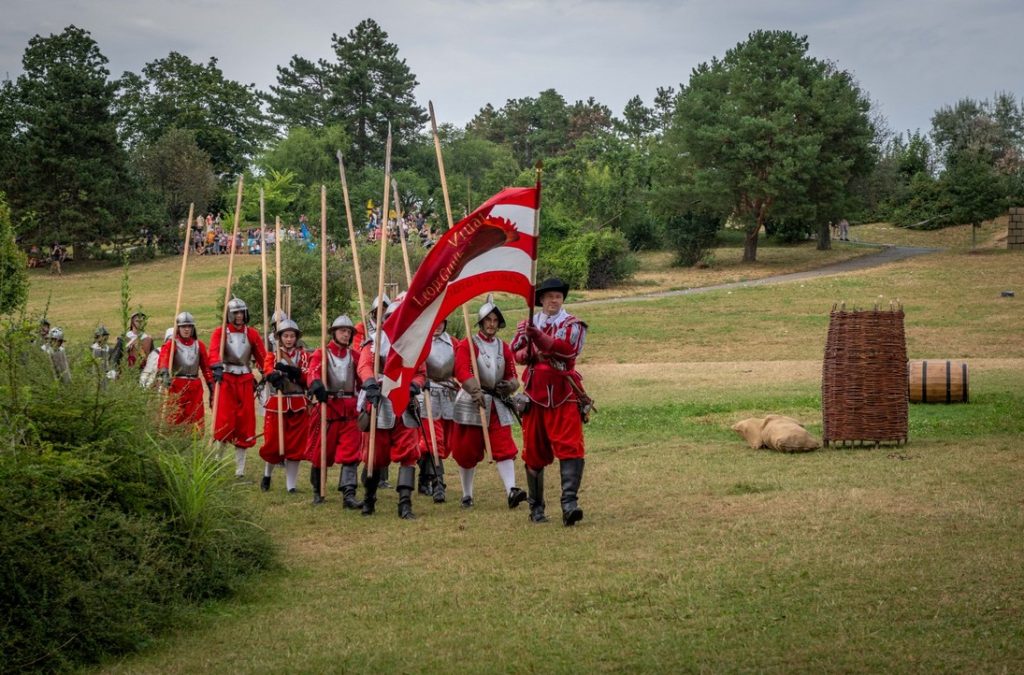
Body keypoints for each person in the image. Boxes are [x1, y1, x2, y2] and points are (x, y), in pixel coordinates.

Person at [512, 278, 589, 526]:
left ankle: (569, 505)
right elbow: (516, 352)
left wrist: (539, 338)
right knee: (533, 453)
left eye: (558, 296)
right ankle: (536, 508)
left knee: (570, 447)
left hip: (564, 394)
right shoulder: (529, 323)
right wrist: (527, 350)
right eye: (549, 297)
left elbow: (567, 350)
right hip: (535, 395)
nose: (554, 300)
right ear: (541, 300)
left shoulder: (573, 324)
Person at [449, 296, 527, 510]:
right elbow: (462, 370)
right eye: (488, 320)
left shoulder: (504, 347)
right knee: (467, 451)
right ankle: (467, 494)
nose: (491, 323)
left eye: (495, 320)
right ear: (481, 322)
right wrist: (475, 390)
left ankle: (511, 490)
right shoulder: (467, 344)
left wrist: (510, 386)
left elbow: (512, 374)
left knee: (504, 445)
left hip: (497, 401)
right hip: (472, 402)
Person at [357, 299, 426, 518]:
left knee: (409, 455)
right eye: (390, 319)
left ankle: (405, 504)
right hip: (379, 402)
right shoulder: (373, 343)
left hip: (403, 404)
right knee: (374, 457)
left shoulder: (412, 345)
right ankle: (369, 498)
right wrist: (369, 383)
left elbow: (420, 371)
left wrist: (415, 385)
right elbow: (364, 365)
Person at [306, 315, 363, 507]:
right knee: (323, 452)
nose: (346, 335)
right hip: (328, 407)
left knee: (351, 451)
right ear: (333, 332)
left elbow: (362, 378)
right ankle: (317, 490)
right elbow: (313, 372)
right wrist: (316, 384)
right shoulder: (322, 354)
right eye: (342, 331)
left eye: (349, 332)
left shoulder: (355, 356)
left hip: (350, 409)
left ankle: (349, 494)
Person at [210, 297, 268, 479]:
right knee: (224, 421)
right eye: (235, 312)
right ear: (229, 314)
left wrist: (269, 371)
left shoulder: (251, 334)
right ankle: (216, 462)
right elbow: (213, 351)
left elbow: (262, 356)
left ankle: (240, 470)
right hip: (226, 380)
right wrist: (216, 365)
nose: (239, 316)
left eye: (242, 312)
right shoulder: (220, 333)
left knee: (244, 424)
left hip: (245, 380)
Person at [259, 319, 310, 494]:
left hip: (298, 404)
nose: (289, 339)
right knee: (273, 444)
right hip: (277, 405)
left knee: (295, 446)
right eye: (286, 336)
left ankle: (291, 485)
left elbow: (305, 377)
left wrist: (289, 371)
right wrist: (273, 375)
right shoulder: (272, 355)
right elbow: (267, 371)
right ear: (280, 337)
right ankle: (267, 475)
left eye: (292, 336)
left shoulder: (303, 355)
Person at [415, 318, 459, 503]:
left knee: (444, 443)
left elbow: (462, 366)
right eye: (435, 321)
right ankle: (439, 484)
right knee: (434, 440)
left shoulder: (454, 343)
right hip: (427, 392)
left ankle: (424, 478)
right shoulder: (420, 341)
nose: (438, 325)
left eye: (442, 322)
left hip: (448, 393)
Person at [157, 312, 214, 430]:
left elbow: (206, 369)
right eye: (183, 326)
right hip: (177, 386)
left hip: (195, 387)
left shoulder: (200, 345)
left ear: (193, 328)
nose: (186, 329)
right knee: (175, 418)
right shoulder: (171, 344)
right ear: (178, 327)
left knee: (195, 419)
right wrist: (164, 372)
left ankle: (193, 446)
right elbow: (164, 358)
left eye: (189, 326)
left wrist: (211, 386)